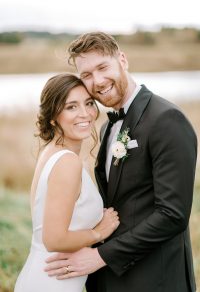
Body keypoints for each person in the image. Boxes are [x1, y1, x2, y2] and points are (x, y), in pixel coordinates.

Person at [44, 33, 197, 292]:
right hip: (111, 280)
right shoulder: (106, 128)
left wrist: (99, 256)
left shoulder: (167, 120)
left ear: (122, 60)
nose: (98, 81)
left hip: (156, 280)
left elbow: (173, 215)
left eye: (103, 67)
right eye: (87, 75)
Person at [14, 73, 120, 292]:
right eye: (71, 107)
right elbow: (54, 239)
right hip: (50, 283)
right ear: (53, 116)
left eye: (89, 103)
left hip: (46, 278)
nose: (85, 114)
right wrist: (99, 233)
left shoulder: (52, 151)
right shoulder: (66, 162)